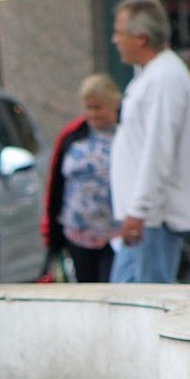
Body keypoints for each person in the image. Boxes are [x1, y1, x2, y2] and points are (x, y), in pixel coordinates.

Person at [109, 0, 190, 284]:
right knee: (124, 301)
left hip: (154, 219)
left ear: (140, 37)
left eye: (119, 33)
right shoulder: (155, 76)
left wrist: (138, 211)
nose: (115, 40)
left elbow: (158, 151)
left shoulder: (164, 79)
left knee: (144, 304)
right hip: (146, 217)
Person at [41, 73, 122, 283]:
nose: (93, 114)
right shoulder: (73, 135)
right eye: (89, 107)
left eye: (98, 108)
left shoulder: (126, 134)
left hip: (116, 235)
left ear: (114, 104)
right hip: (77, 233)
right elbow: (56, 184)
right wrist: (51, 233)